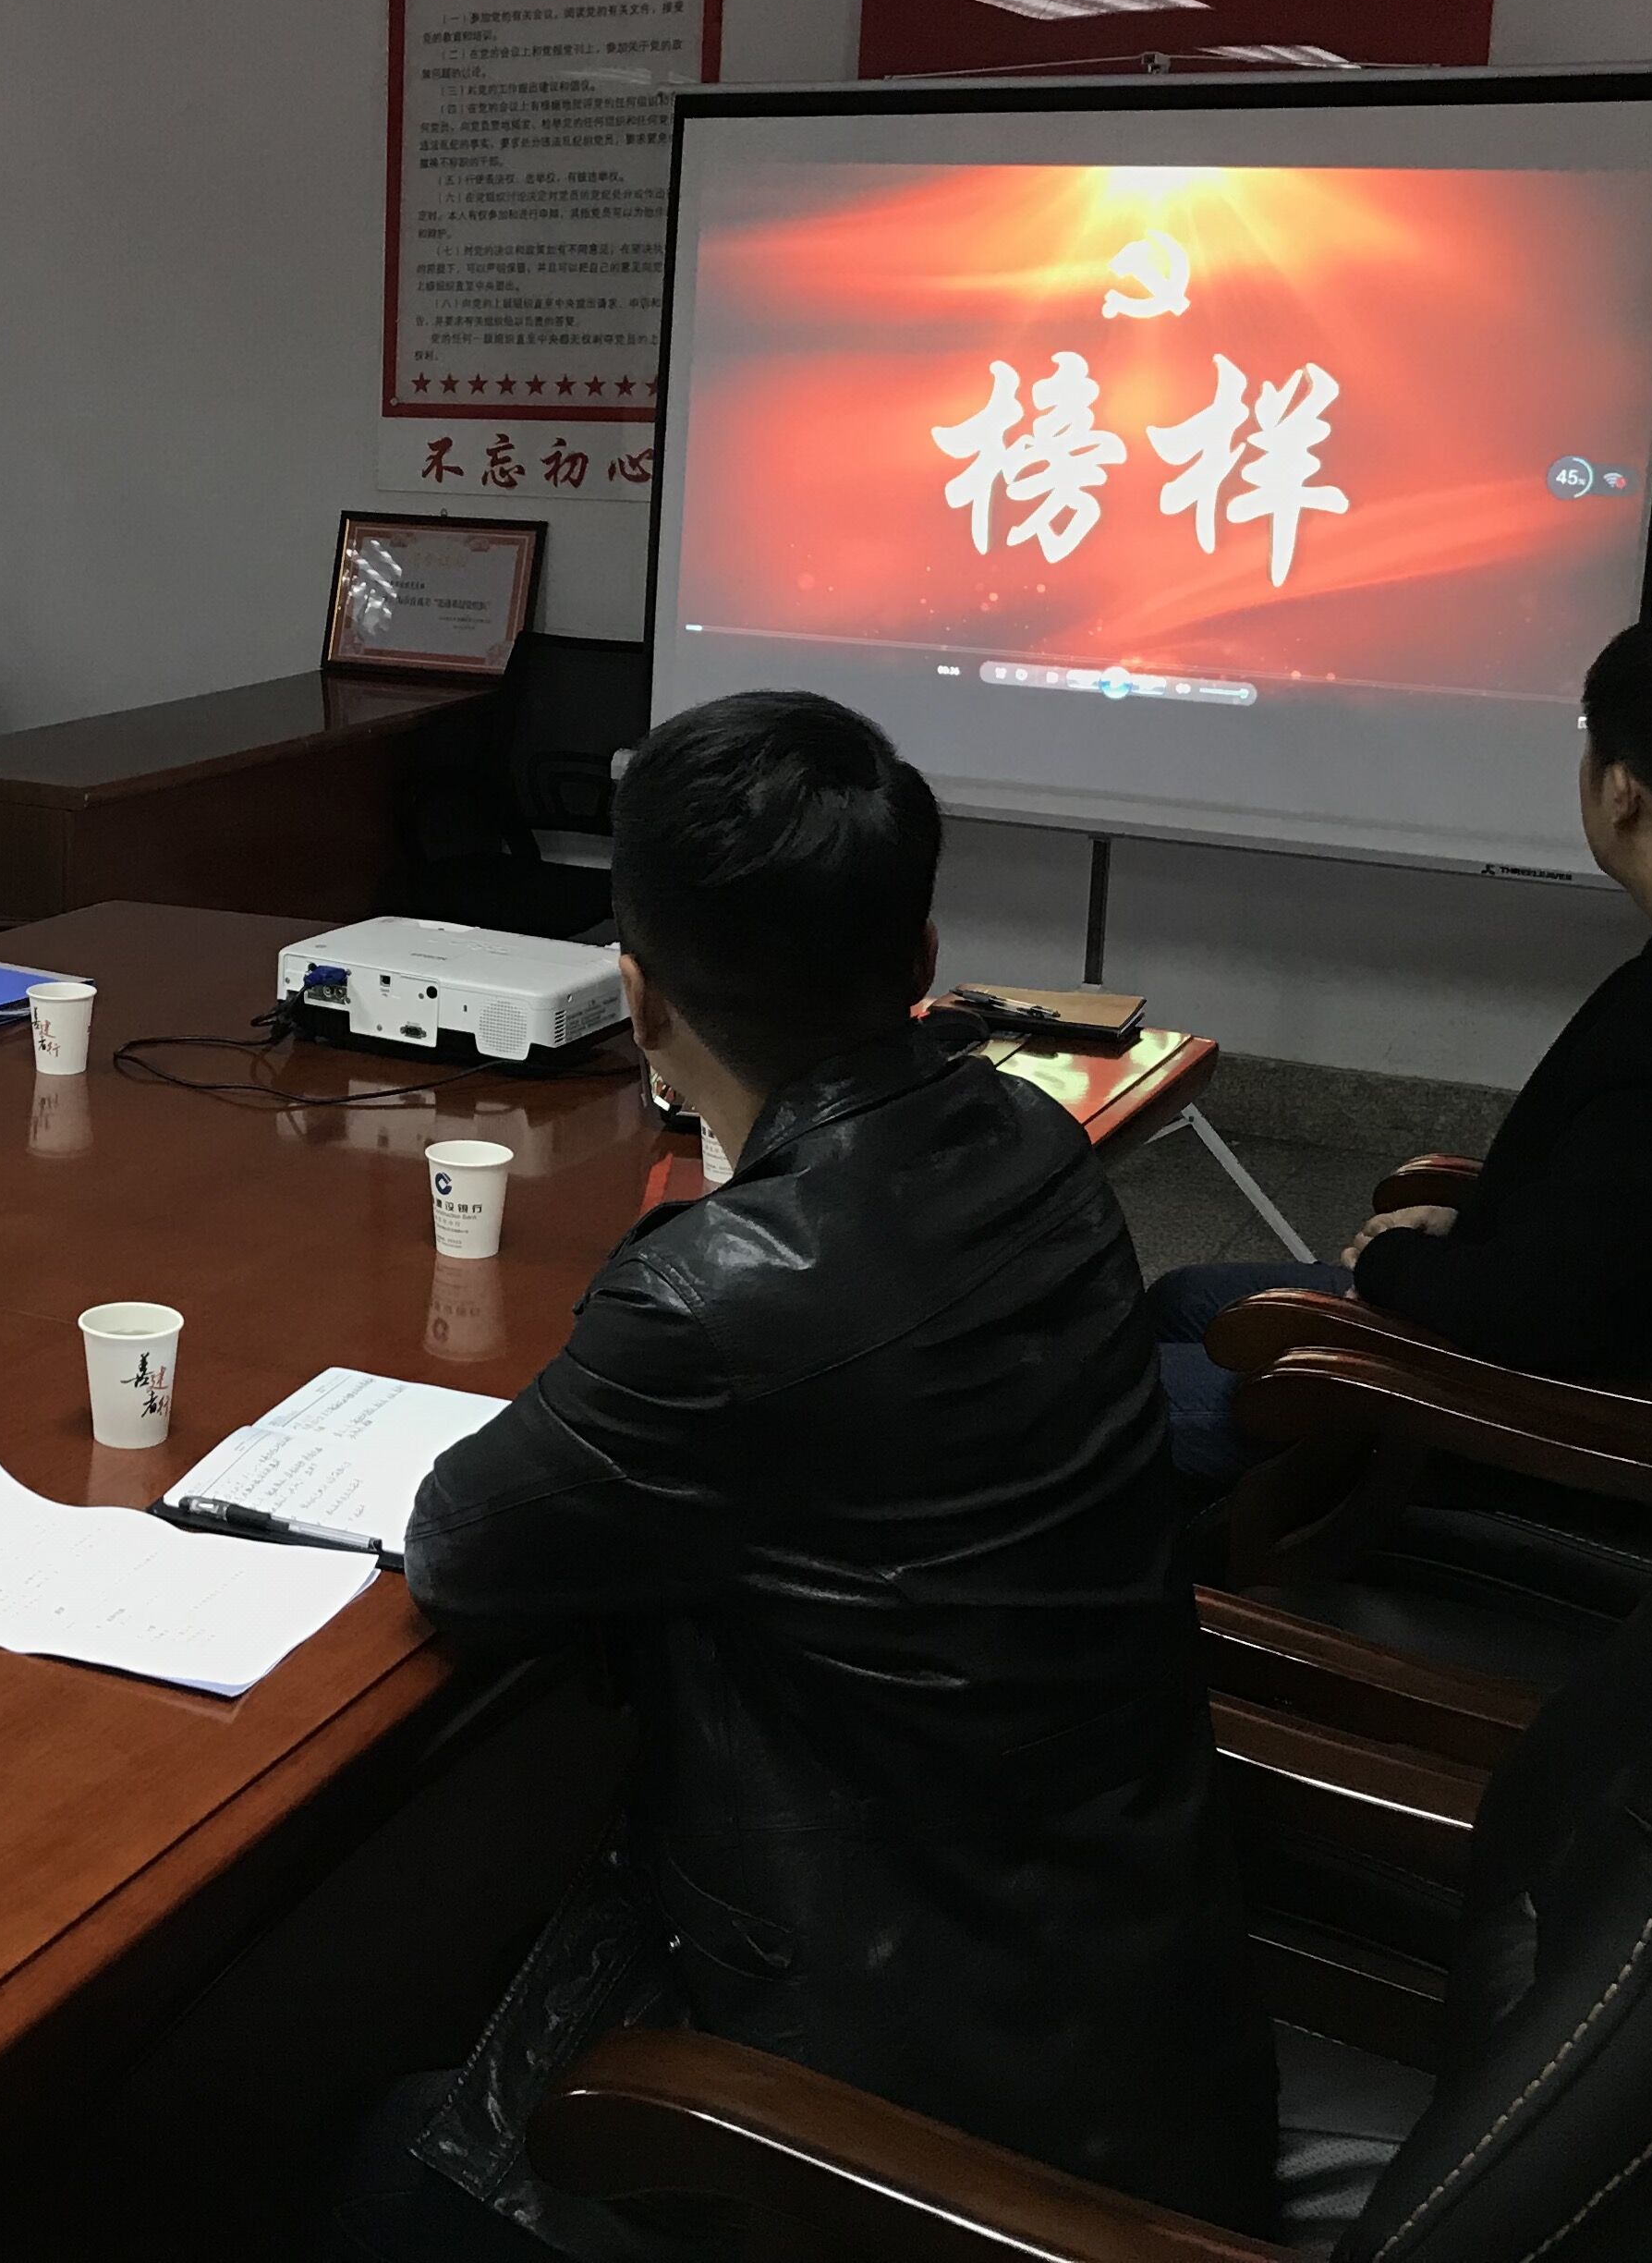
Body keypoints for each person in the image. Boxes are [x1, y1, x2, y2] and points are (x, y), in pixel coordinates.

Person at [346, 691, 1276, 2260]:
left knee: (374, 2160)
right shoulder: (1031, 1141)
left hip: (918, 2105)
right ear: (923, 956)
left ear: (638, 995)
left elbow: (464, 1551)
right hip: (1128, 1995)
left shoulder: (715, 1298)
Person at [1143, 612, 1652, 1489]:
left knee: (1069, 1400)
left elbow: (1551, 1312)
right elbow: (1626, 1212)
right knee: (1180, 1300)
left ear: (1621, 791)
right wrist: (1471, 1226)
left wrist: (1399, 1265)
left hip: (1509, 1407)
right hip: (1557, 1305)